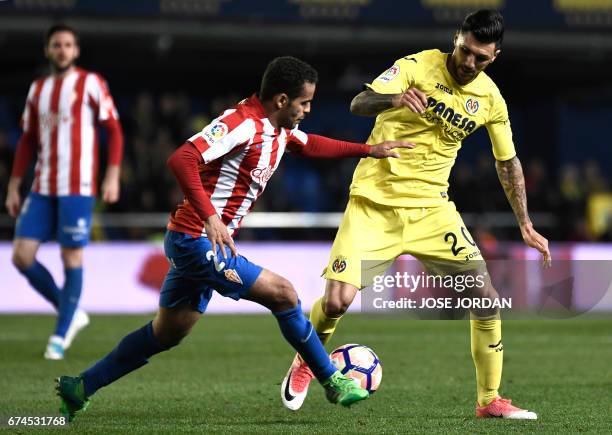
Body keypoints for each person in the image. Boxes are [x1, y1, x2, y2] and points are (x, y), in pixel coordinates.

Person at [55, 56, 413, 421]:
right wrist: (211, 217)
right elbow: (182, 159)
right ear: (281, 100)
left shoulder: (281, 128)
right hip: (195, 238)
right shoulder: (241, 124)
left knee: (166, 333)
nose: (308, 110)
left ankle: (81, 386)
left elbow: (311, 145)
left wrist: (368, 150)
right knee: (285, 294)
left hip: (196, 242)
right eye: (304, 103)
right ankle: (332, 382)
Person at [281, 10, 551, 420]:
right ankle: (306, 361)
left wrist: (525, 223)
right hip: (375, 202)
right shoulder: (415, 65)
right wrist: (394, 98)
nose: (469, 63)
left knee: (486, 299)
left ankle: (490, 400)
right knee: (336, 301)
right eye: (465, 51)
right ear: (455, 38)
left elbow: (507, 162)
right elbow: (359, 102)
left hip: (432, 210)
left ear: (494, 57)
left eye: (480, 57)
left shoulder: (492, 100)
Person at [5, 24, 124, 360]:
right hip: (43, 187)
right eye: (56, 45)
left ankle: (59, 335)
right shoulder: (38, 89)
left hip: (78, 187)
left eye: (68, 45)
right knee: (21, 257)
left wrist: (112, 175)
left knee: (70, 256)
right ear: (47, 50)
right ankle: (70, 311)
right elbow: (27, 140)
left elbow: (114, 131)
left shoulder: (91, 83)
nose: (62, 50)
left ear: (76, 51)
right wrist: (15, 184)